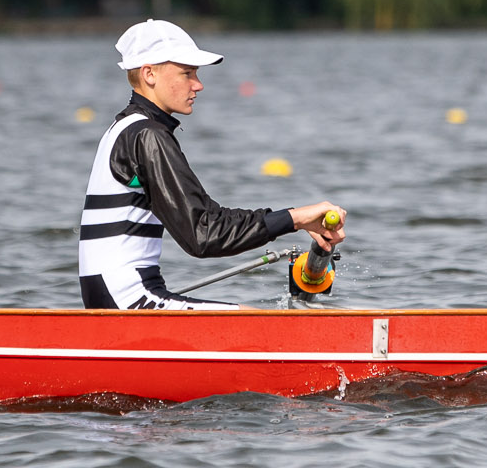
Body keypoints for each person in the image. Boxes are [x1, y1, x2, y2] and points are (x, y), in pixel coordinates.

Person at [78, 20, 346, 309]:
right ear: (149, 73)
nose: (199, 84)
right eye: (187, 73)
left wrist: (294, 219)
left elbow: (206, 218)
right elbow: (202, 235)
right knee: (258, 324)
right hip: (129, 301)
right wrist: (294, 218)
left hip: (113, 298)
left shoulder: (124, 127)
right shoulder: (148, 135)